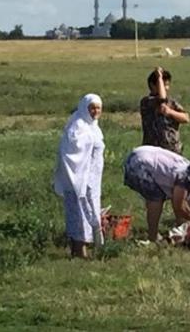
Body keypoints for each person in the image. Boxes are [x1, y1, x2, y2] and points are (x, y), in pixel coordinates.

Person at [123, 145, 190, 241]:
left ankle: (162, 233)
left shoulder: (189, 169)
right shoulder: (183, 179)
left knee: (158, 196)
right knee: (156, 199)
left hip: (140, 154)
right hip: (139, 164)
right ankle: (153, 236)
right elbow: (179, 207)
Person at [54, 94, 105, 258]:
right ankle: (79, 251)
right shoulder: (78, 126)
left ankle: (85, 249)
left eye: (98, 108)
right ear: (84, 108)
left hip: (92, 178)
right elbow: (72, 151)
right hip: (79, 177)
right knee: (79, 211)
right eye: (92, 108)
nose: (95, 111)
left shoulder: (92, 126)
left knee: (89, 210)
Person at [140, 67, 189, 154]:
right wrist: (159, 77)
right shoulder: (146, 102)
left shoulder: (172, 103)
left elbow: (185, 118)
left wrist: (171, 112)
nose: (166, 88)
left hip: (172, 150)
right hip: (152, 151)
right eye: (164, 85)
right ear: (152, 85)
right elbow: (162, 100)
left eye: (167, 85)